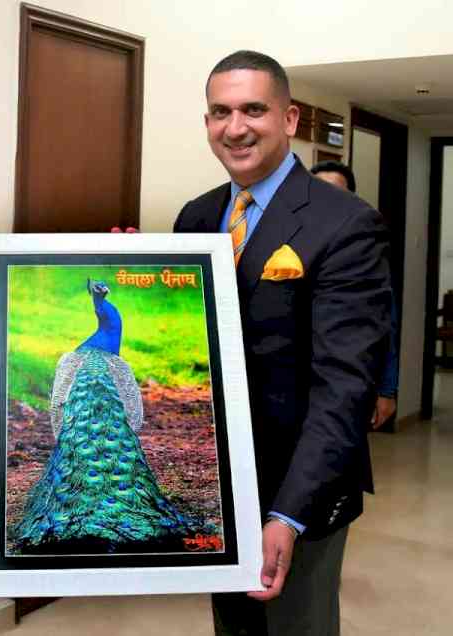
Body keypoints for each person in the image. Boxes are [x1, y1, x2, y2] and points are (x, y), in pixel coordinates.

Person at [174, 51, 392, 635]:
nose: (235, 127)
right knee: (235, 627)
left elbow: (345, 386)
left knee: (297, 626)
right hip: (215, 485)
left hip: (301, 489)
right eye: (220, 112)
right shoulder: (195, 219)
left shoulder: (344, 223)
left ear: (289, 119)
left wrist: (288, 514)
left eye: (253, 109)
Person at [310, 160, 399, 428]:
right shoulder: (285, 243)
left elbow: (386, 327)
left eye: (336, 193)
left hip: (345, 387)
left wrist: (386, 391)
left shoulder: (362, 250)